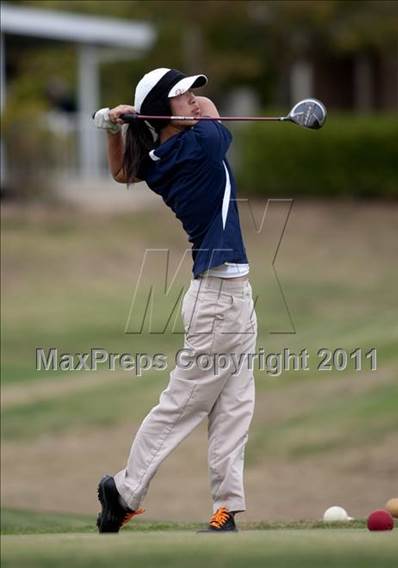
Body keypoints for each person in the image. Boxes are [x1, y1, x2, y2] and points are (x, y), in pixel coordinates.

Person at [93, 68, 257, 533]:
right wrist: (201, 114)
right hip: (219, 300)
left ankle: (226, 508)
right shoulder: (199, 145)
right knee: (183, 402)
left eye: (193, 95)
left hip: (229, 294)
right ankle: (124, 491)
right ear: (164, 110)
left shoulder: (161, 154)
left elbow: (121, 170)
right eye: (183, 96)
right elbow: (214, 124)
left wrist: (111, 124)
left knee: (235, 405)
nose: (194, 101)